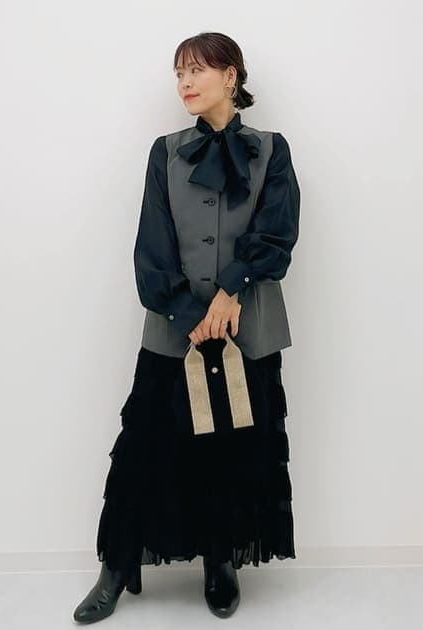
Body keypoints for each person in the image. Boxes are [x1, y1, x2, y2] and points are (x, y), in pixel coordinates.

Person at [73, 31, 300, 624]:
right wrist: (189, 314)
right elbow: (152, 244)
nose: (185, 83)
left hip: (247, 327)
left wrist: (230, 292)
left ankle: (221, 563)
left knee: (233, 449)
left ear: (231, 76)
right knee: (143, 448)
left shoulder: (272, 150)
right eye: (178, 73)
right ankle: (116, 568)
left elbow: (277, 231)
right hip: (175, 329)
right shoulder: (165, 152)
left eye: (196, 70)